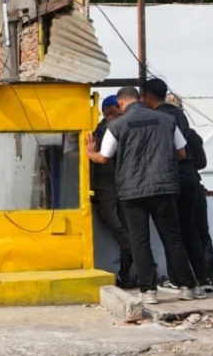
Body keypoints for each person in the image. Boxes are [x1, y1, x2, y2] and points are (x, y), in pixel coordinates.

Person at [84, 86, 203, 304]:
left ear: (121, 104)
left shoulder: (117, 125)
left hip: (132, 191)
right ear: (139, 98)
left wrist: (90, 152)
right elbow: (181, 152)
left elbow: (104, 158)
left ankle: (148, 291)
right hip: (164, 188)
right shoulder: (167, 120)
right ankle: (187, 286)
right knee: (173, 238)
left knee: (140, 240)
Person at [141, 79, 209, 292]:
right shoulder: (181, 117)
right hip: (190, 176)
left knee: (172, 232)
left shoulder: (159, 118)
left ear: (148, 97)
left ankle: (177, 279)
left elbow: (170, 150)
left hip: (172, 176)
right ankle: (203, 278)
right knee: (190, 229)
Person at [166, 94, 213, 291]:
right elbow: (202, 162)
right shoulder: (191, 135)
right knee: (199, 232)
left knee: (176, 233)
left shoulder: (161, 130)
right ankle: (208, 274)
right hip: (193, 185)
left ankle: (181, 278)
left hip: (174, 186)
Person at [92, 95, 135, 288]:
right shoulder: (98, 133)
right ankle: (135, 263)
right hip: (105, 190)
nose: (123, 112)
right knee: (120, 231)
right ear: (108, 110)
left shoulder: (124, 129)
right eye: (119, 108)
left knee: (130, 230)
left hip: (125, 187)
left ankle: (127, 273)